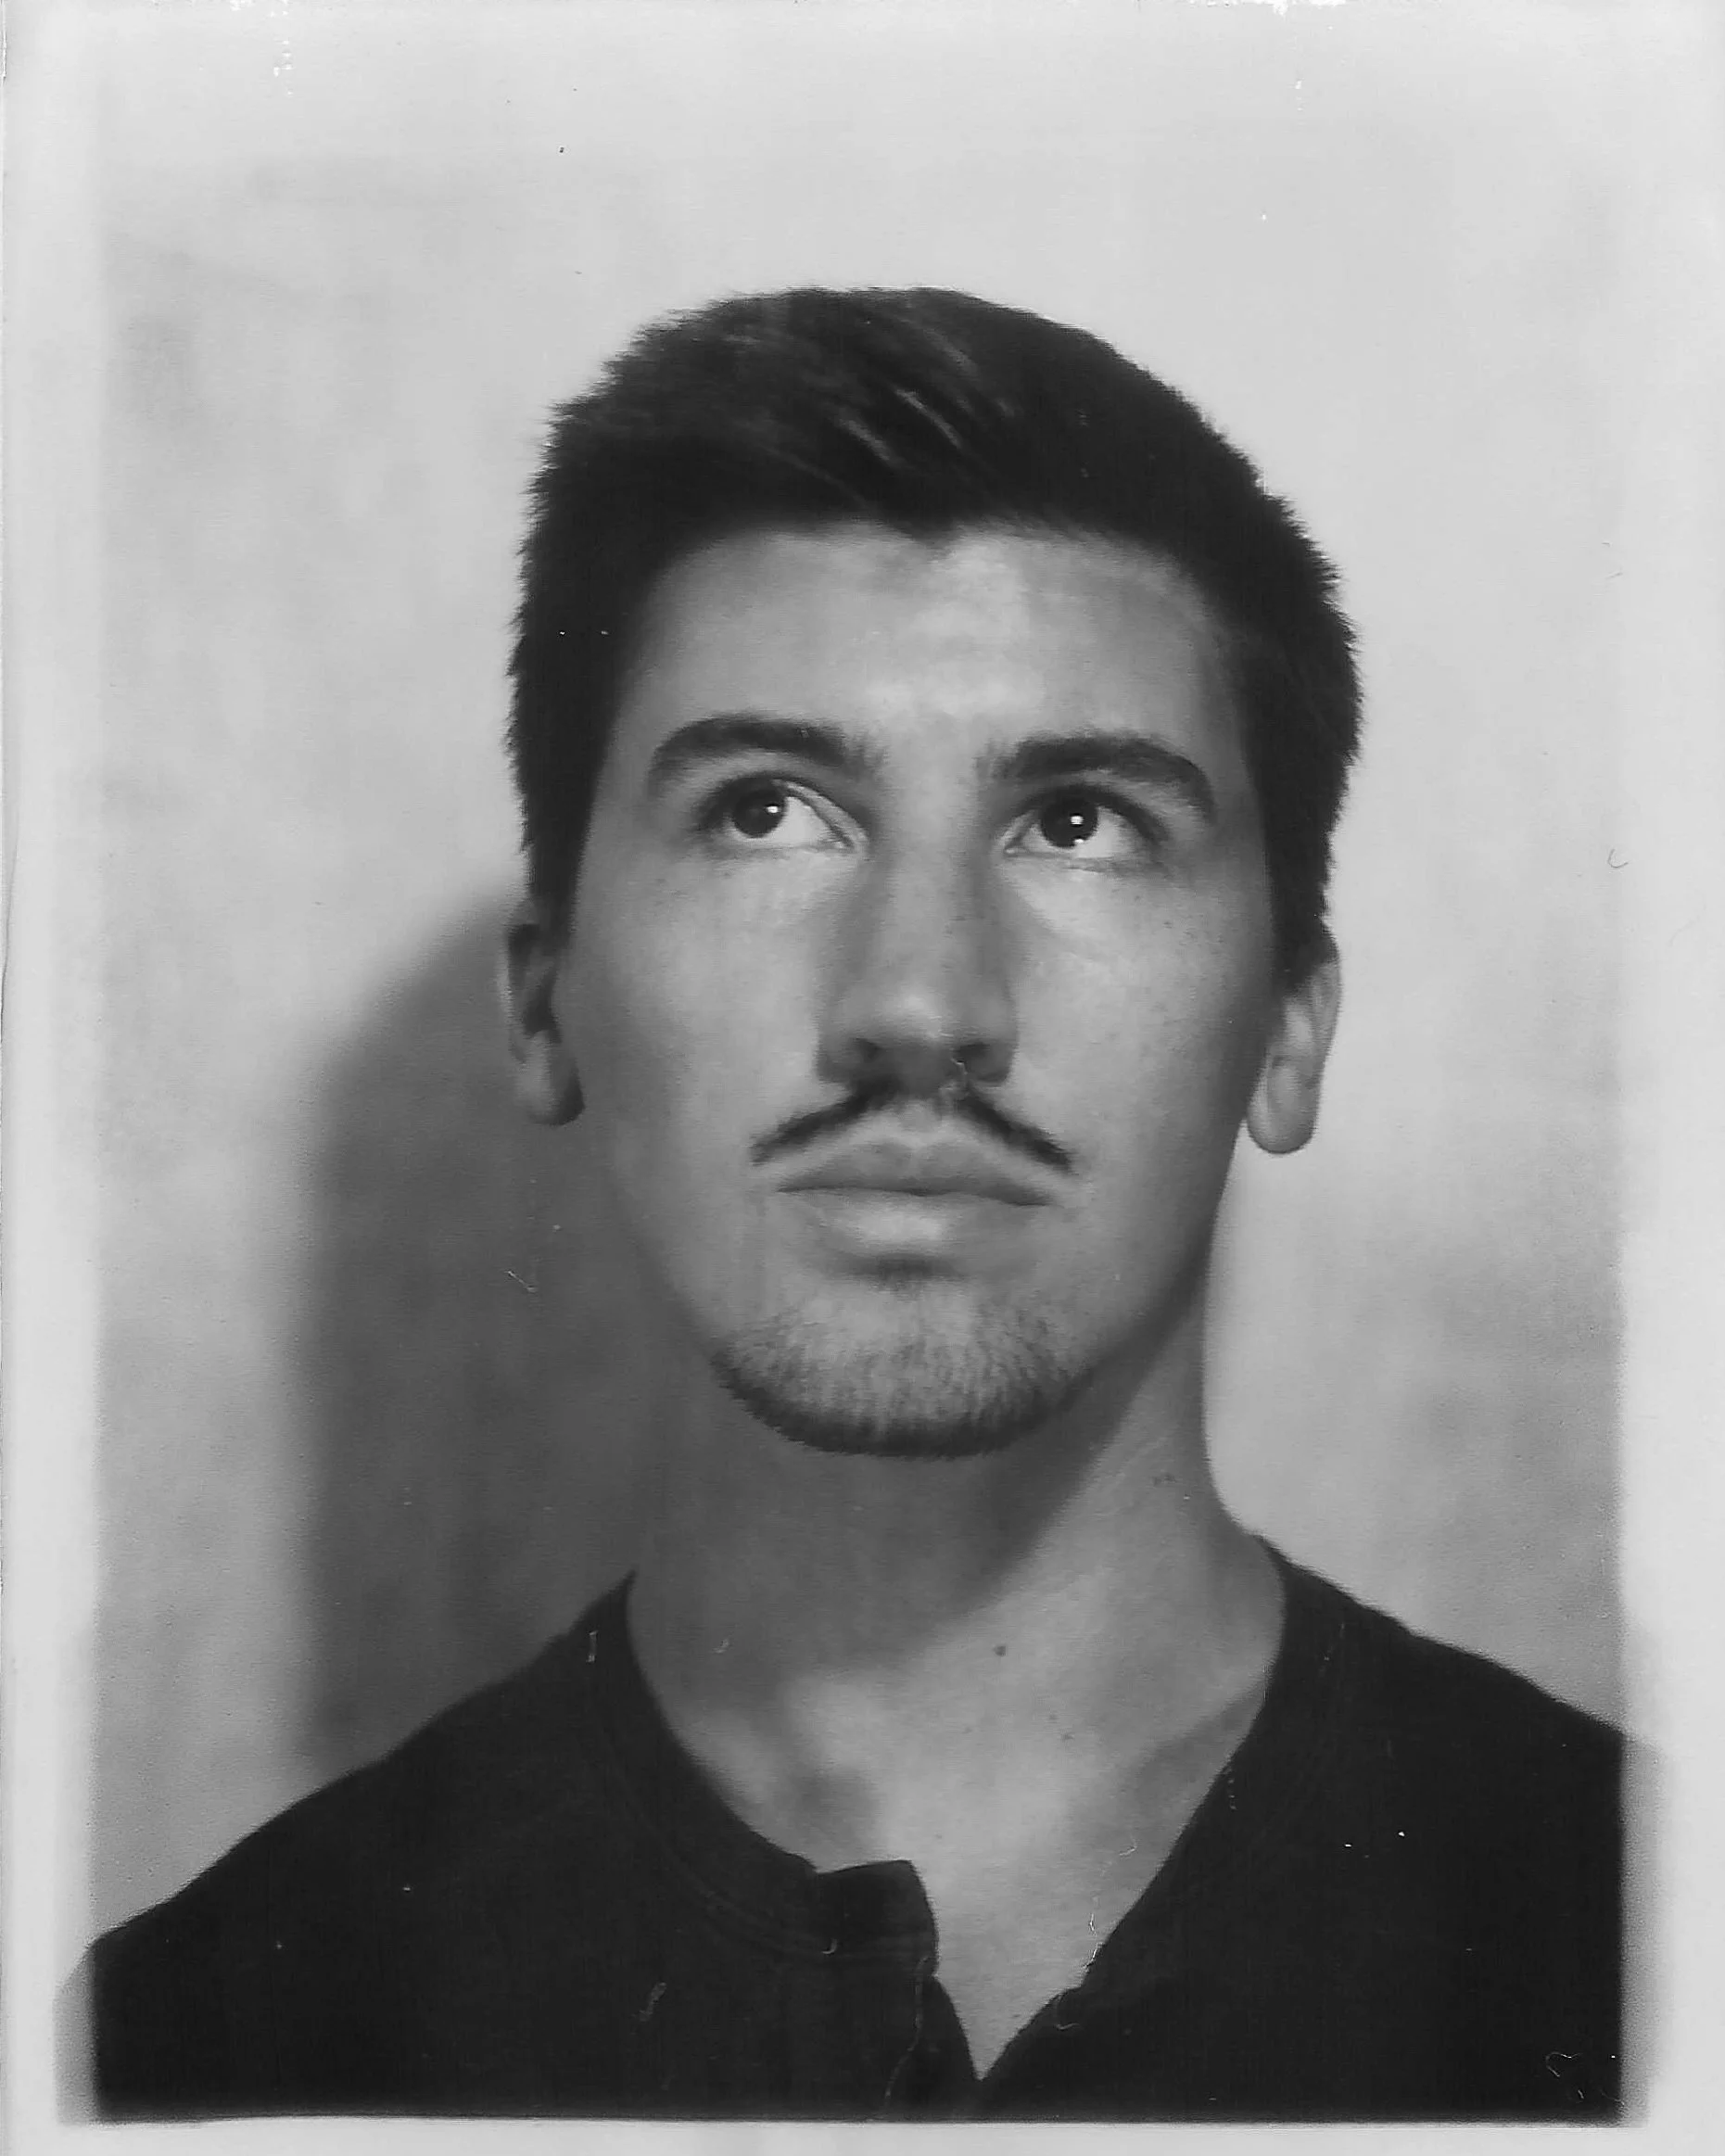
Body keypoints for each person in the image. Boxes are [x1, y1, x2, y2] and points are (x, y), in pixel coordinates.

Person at [82, 288, 1622, 2120]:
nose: (915, 1003)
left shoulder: (1653, 1950)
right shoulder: (197, 2049)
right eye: (767, 810)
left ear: (1288, 1028)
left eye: (1082, 822)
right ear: (545, 995)